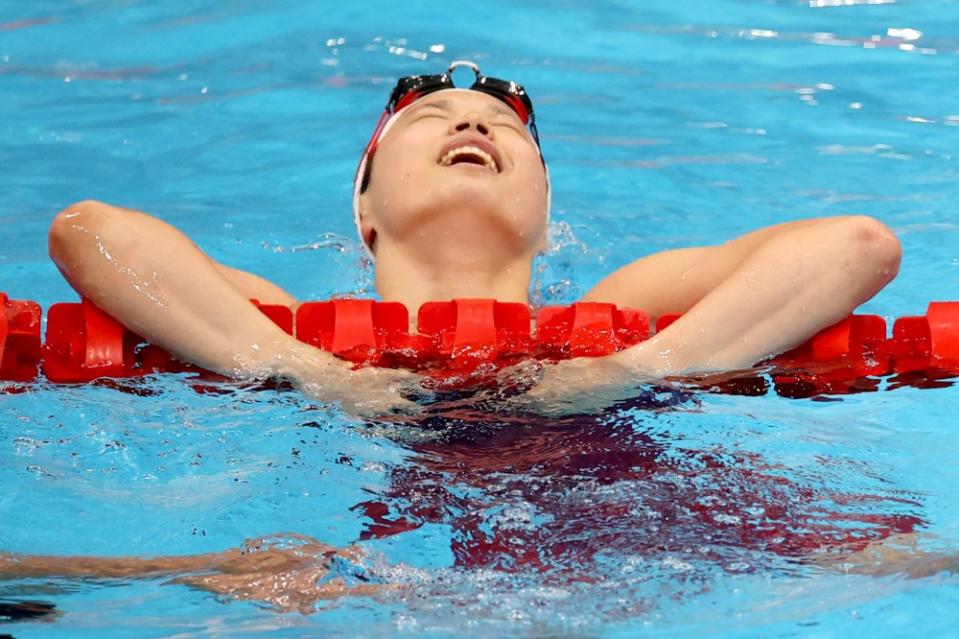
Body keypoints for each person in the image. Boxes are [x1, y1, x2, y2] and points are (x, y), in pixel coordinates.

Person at [47, 60, 902, 416]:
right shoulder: (286, 325)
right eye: (435, 117)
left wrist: (630, 368)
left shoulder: (623, 309)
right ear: (367, 212)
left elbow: (856, 245)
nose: (473, 122)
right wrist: (312, 372)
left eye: (501, 123)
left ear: (543, 216)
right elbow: (91, 233)